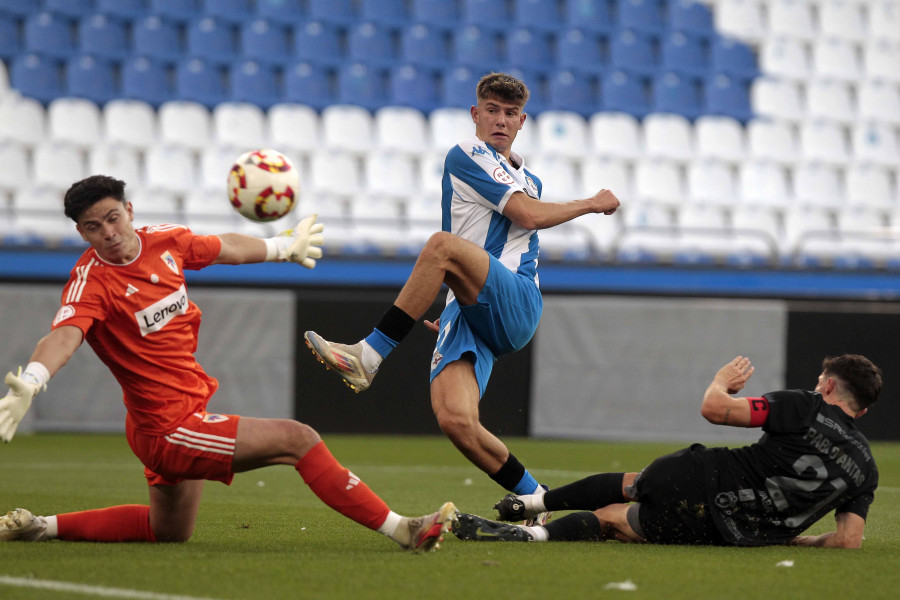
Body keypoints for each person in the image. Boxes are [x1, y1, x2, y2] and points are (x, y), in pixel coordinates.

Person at [0, 175, 456, 551]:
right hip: (167, 426)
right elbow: (65, 336)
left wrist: (282, 247)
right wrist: (33, 381)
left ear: (130, 211)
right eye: (93, 226)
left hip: (170, 416)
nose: (109, 233)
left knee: (169, 532)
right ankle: (403, 529)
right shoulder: (90, 283)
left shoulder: (164, 242)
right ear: (82, 233)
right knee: (298, 439)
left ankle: (41, 526)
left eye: (113, 218)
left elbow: (223, 247)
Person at [303, 72, 621, 520]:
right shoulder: (470, 154)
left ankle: (368, 356)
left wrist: (590, 203)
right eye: (492, 110)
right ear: (475, 114)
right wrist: (464, 301)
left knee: (442, 246)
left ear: (522, 122)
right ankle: (536, 499)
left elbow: (524, 220)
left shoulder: (529, 182)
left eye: (510, 113)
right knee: (456, 420)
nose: (500, 120)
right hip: (473, 307)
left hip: (515, 302)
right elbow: (520, 221)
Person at [451, 355, 881, 549]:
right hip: (730, 532)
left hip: (703, 476)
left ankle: (530, 503)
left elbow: (715, 409)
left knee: (629, 486)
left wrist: (720, 381)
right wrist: (798, 539)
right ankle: (531, 534)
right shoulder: (865, 469)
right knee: (609, 522)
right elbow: (848, 541)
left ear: (827, 385)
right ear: (861, 408)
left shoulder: (806, 405)